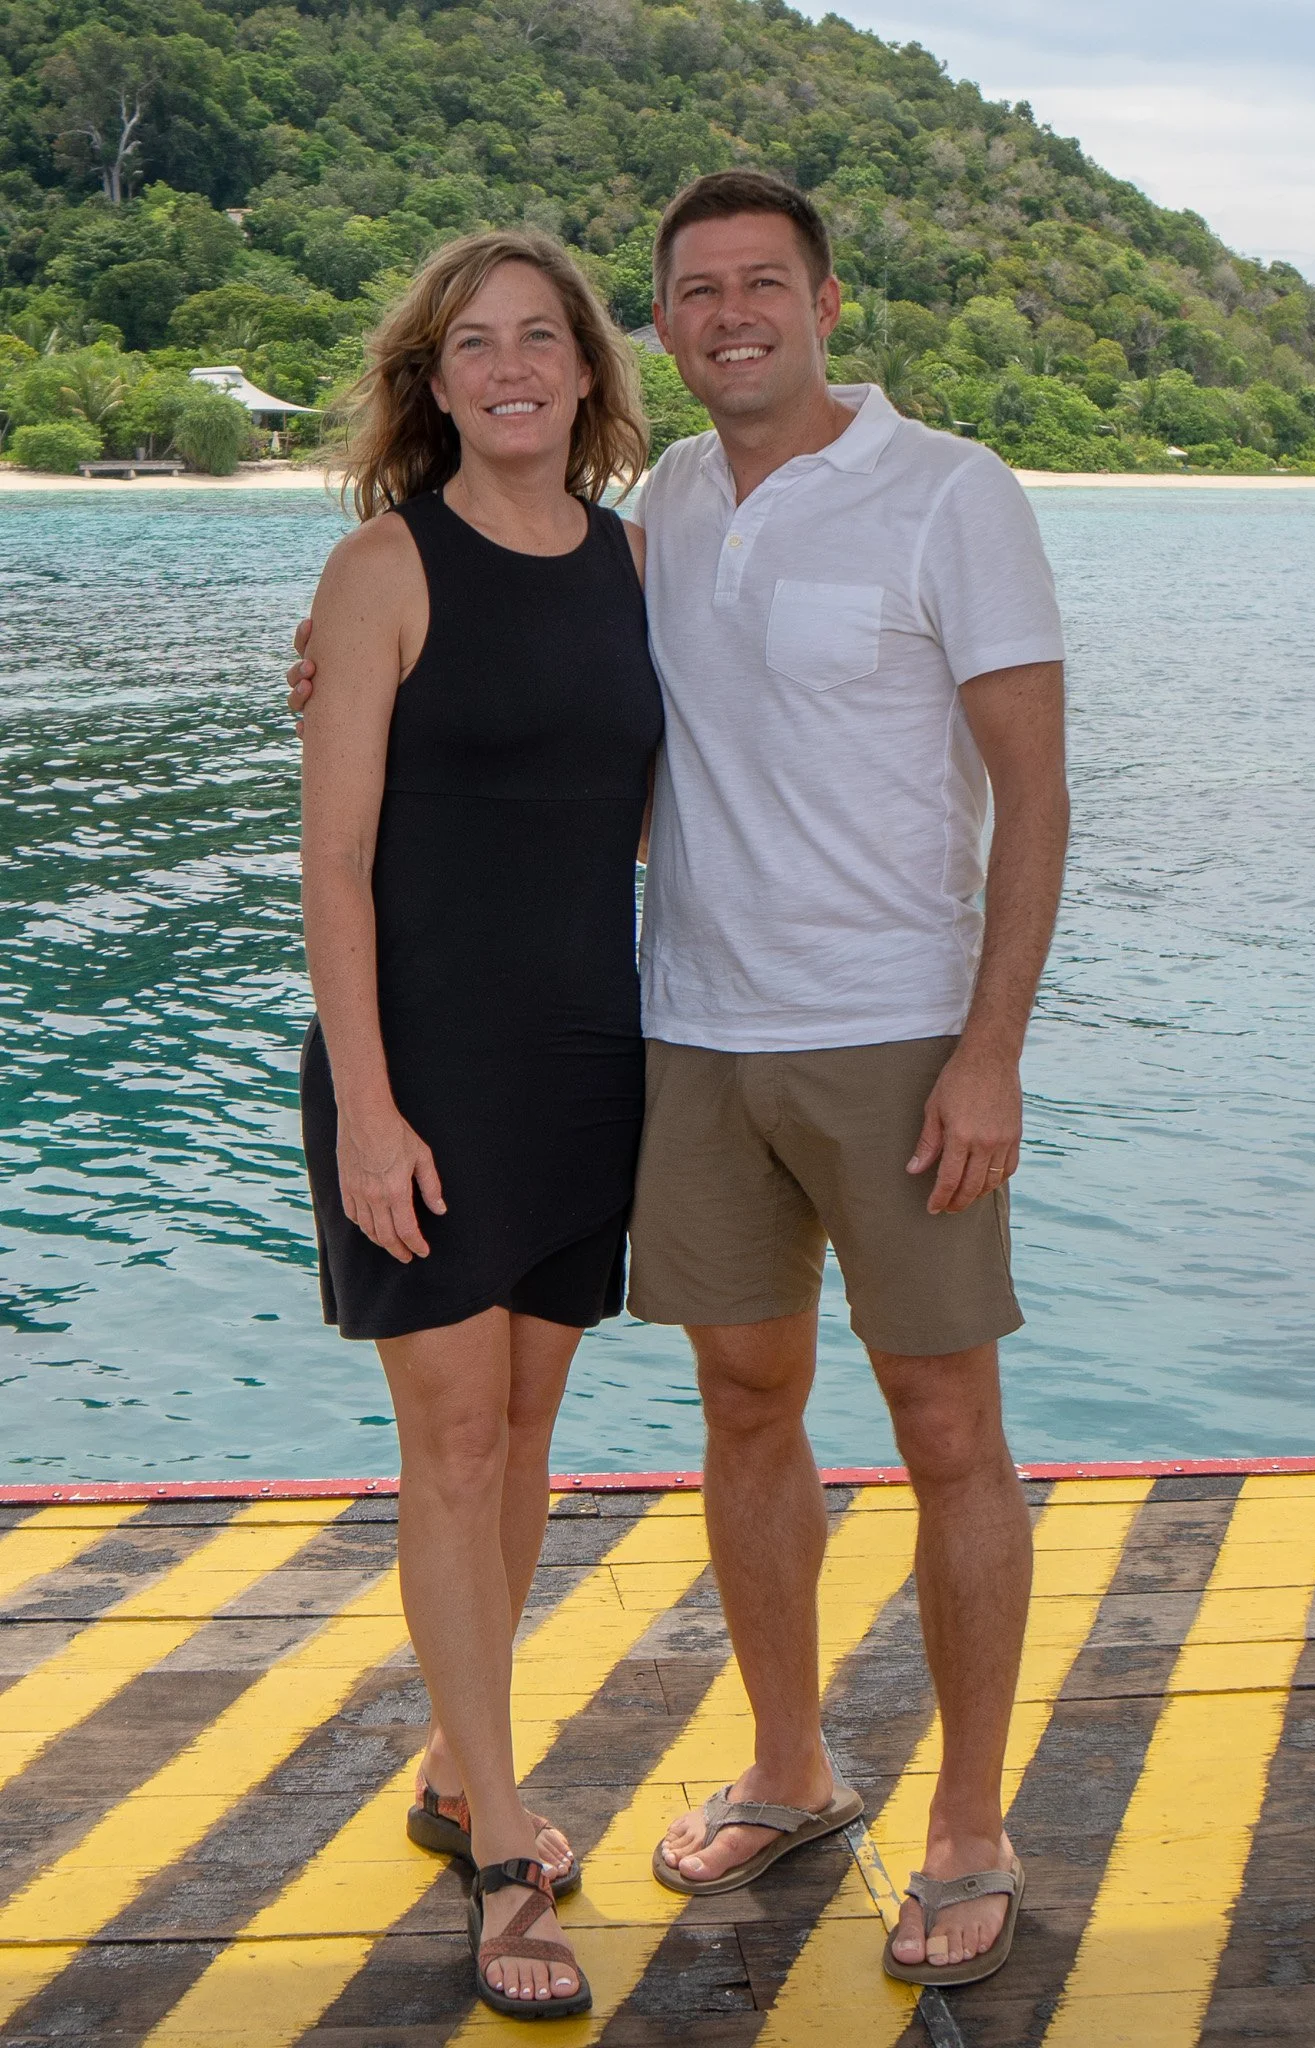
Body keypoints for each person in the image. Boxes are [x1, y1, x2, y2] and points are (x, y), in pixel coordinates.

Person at [293, 170, 1068, 1992]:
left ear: (823, 301)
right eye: (697, 290)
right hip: (668, 1041)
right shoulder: (648, 518)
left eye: (762, 283)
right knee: (716, 1407)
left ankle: (966, 1826)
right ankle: (750, 1778)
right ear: (656, 328)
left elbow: (1024, 793)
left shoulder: (924, 497)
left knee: (941, 1426)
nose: (732, 314)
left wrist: (992, 1049)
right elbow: (425, 789)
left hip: (861, 1036)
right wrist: (338, 678)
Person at [296, 228, 662, 2020]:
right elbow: (336, 863)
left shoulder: (638, 562)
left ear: (587, 368)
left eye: (539, 338)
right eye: (472, 345)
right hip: (423, 1064)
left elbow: (659, 810)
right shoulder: (382, 569)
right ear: (431, 385)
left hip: (586, 1056)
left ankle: (460, 1763)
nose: (509, 367)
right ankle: (506, 1850)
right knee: (449, 1438)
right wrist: (368, 1110)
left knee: (521, 1435)